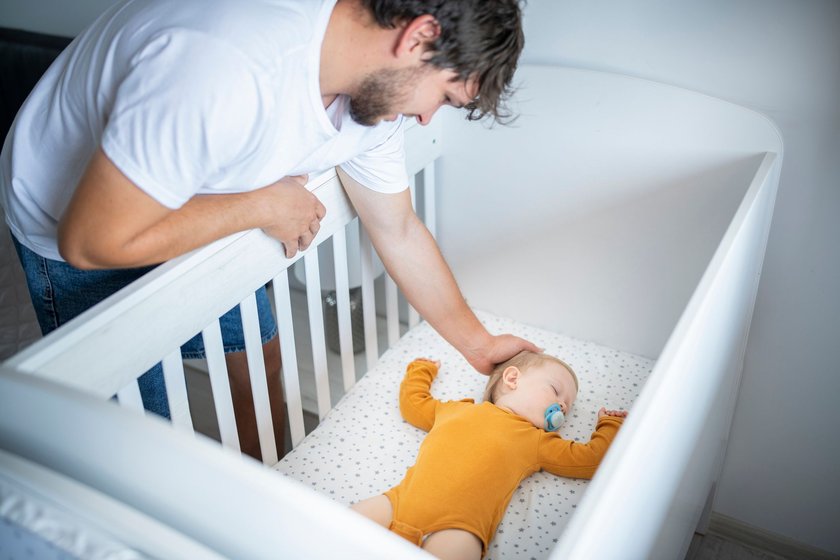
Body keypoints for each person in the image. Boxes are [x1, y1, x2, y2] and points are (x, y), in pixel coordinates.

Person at [0, 0, 536, 460]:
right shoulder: (225, 64)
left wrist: (478, 344)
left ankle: (271, 474)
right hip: (74, 213)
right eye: (444, 97)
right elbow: (92, 240)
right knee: (136, 428)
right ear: (419, 37)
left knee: (259, 356)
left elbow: (396, 228)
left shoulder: (374, 102)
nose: (426, 120)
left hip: (206, 188)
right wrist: (258, 205)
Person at [351, 352, 628, 560]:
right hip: (397, 504)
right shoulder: (457, 409)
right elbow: (414, 405)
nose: (562, 406)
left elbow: (590, 460)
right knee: (344, 523)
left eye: (567, 406)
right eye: (556, 391)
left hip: (458, 527)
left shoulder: (537, 441)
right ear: (512, 379)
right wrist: (421, 370)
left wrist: (610, 425)